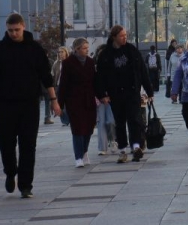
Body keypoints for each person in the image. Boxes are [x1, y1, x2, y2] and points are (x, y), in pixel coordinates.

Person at [0, 14, 57, 198]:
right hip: (5, 103)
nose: (14, 33)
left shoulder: (35, 48)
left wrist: (54, 100)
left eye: (17, 30)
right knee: (5, 141)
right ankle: (10, 171)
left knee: (28, 144)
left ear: (23, 27)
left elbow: (46, 76)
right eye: (10, 30)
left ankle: (25, 185)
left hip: (29, 103)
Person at [95, 25, 152, 164]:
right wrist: (102, 94)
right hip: (115, 94)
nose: (124, 38)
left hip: (132, 91)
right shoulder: (105, 55)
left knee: (135, 120)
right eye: (121, 36)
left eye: (125, 35)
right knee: (119, 123)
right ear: (114, 37)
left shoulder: (131, 50)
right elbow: (100, 77)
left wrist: (149, 91)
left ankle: (136, 147)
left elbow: (142, 71)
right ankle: (122, 150)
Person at [58, 38, 97, 167]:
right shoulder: (68, 63)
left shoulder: (90, 62)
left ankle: (85, 151)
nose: (87, 50)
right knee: (77, 129)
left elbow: (95, 82)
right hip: (74, 101)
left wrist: (102, 96)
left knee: (89, 128)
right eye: (84, 48)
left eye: (87, 48)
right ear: (77, 49)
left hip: (89, 100)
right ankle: (78, 157)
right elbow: (63, 85)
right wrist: (59, 104)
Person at [51, 47, 70, 126]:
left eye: (62, 52)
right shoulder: (56, 63)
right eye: (59, 52)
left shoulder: (70, 62)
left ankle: (69, 119)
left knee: (69, 104)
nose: (60, 53)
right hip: (59, 86)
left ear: (66, 53)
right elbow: (52, 75)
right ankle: (64, 120)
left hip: (68, 86)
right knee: (61, 104)